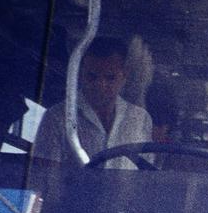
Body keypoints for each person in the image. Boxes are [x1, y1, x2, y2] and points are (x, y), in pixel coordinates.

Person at [31, 37, 154, 170]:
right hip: (75, 191)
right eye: (92, 76)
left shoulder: (140, 118)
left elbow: (146, 172)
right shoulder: (56, 117)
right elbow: (45, 176)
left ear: (124, 76)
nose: (100, 85)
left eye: (110, 77)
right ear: (80, 74)